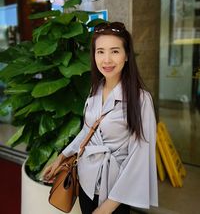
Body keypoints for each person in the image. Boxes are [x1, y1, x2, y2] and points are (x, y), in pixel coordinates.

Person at [43, 22, 158, 214]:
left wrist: (106, 208)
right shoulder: (95, 89)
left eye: (114, 51)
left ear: (127, 55)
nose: (106, 60)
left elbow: (139, 157)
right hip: (86, 183)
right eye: (100, 51)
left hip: (115, 191)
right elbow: (88, 131)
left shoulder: (141, 99)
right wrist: (62, 156)